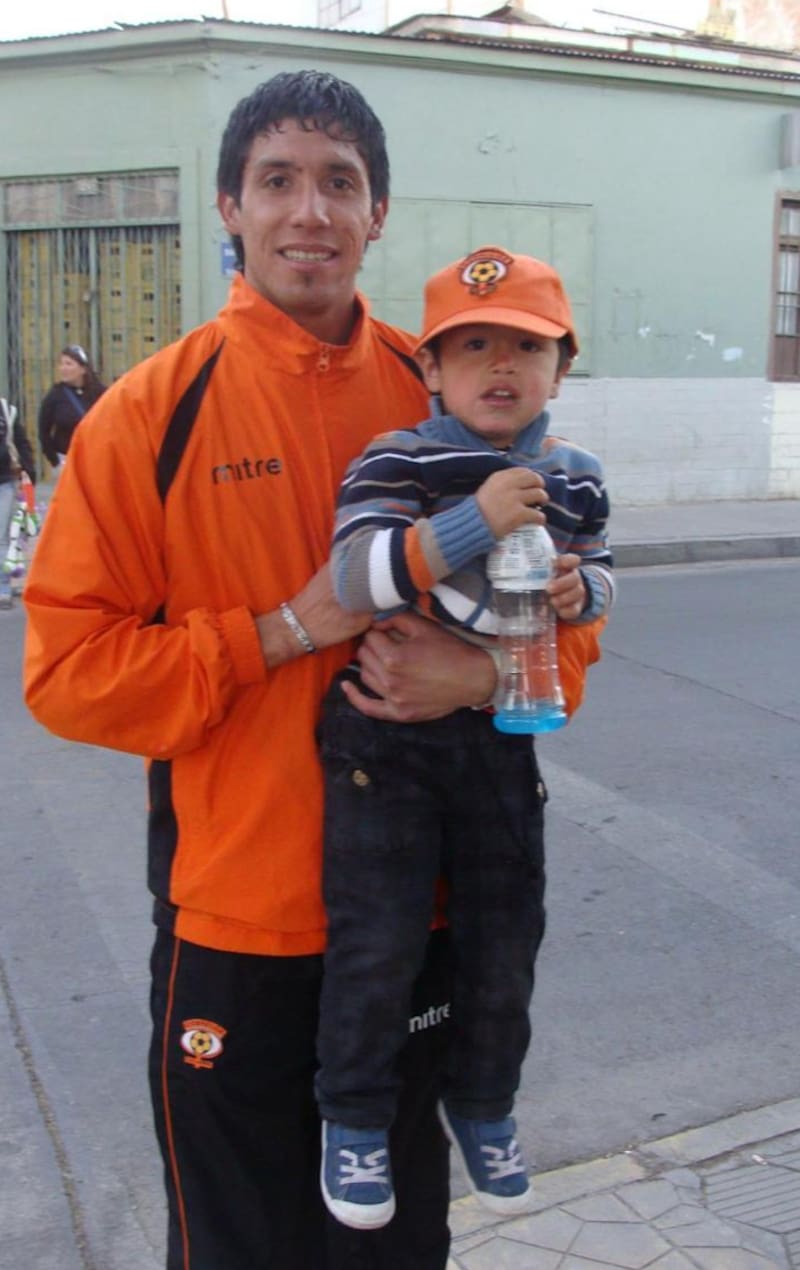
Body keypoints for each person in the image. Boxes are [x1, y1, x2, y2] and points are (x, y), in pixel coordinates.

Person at [22, 71, 602, 1270]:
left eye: (339, 183)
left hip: (420, 908)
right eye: (278, 180)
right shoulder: (148, 415)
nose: (310, 212)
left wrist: (483, 682)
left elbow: (565, 605)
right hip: (242, 920)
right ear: (230, 205)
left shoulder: (444, 388)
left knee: (395, 1247)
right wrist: (278, 629)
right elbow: (68, 672)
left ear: (377, 212)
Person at [316, 246, 612, 1230]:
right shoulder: (399, 458)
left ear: (559, 369)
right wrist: (471, 522)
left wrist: (579, 590)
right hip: (385, 750)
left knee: (505, 935)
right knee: (378, 938)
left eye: (525, 347)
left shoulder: (574, 476)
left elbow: (603, 579)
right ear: (428, 370)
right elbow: (355, 579)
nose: (499, 366)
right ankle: (352, 1118)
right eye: (471, 345)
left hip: (497, 744)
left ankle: (482, 1101)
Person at [37, 343, 106, 472]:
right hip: (66, 461)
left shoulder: (100, 393)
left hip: (96, 459)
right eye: (62, 364)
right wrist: (55, 460)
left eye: (69, 364)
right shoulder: (55, 395)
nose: (63, 368)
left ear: (83, 369)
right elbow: (43, 431)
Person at [0, 396, 37, 608]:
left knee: (2, 537)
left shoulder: (6, 409)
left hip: (4, 480)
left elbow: (22, 442)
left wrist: (28, 471)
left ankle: (3, 587)